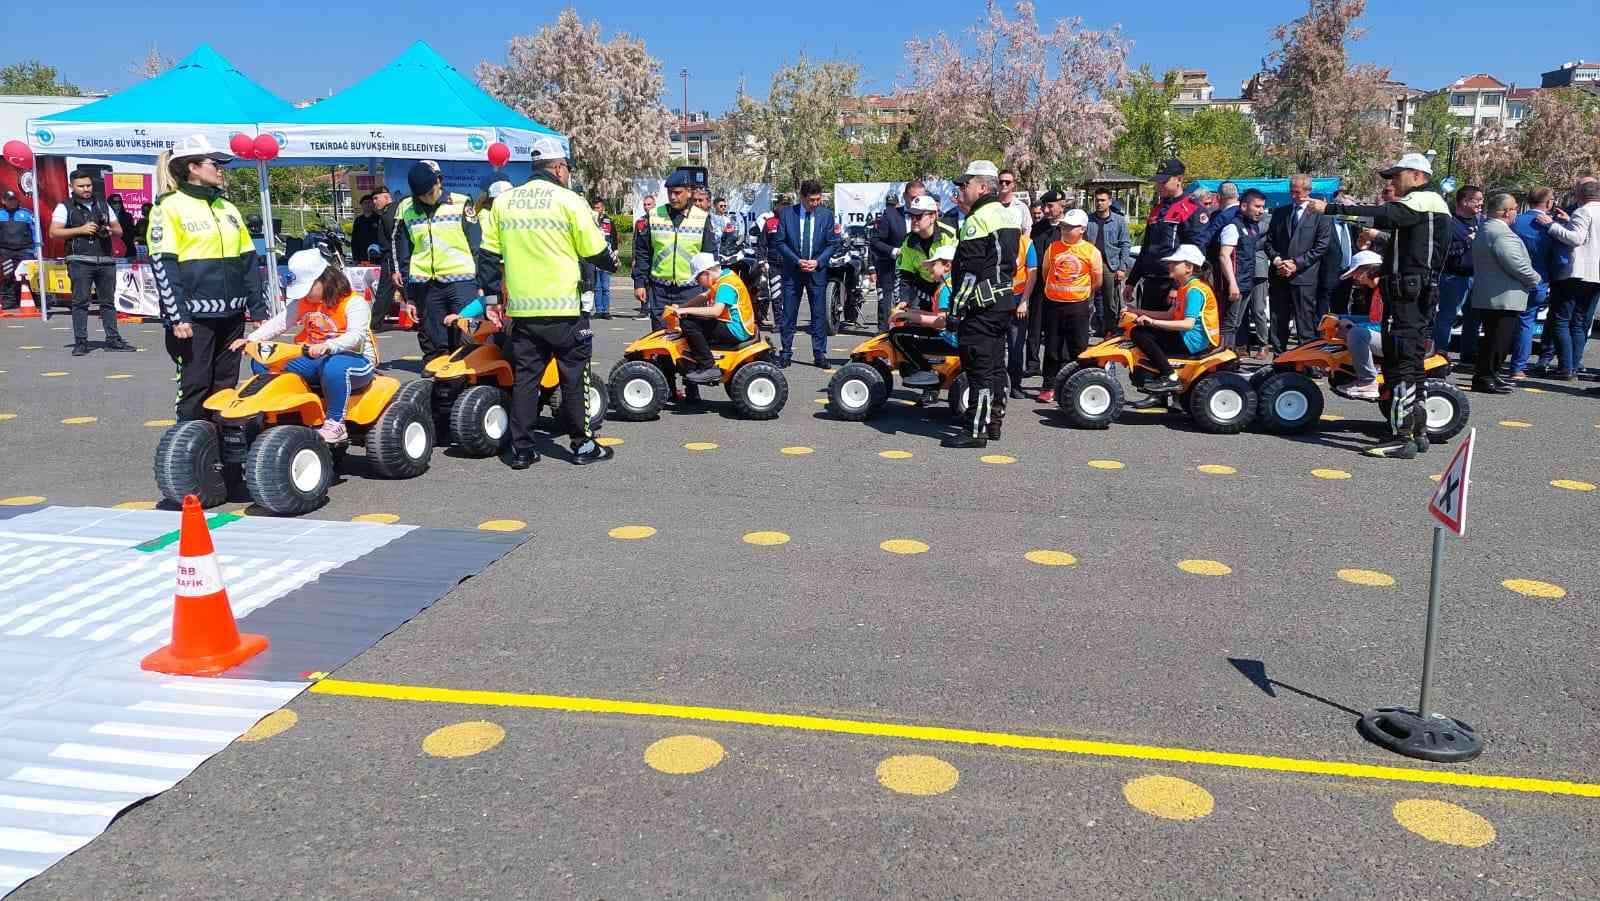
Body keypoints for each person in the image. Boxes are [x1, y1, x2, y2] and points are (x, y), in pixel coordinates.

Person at [477, 136, 617, 468]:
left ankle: (522, 449)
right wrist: (613, 263)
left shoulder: (504, 203)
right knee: (573, 376)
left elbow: (487, 257)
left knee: (526, 379)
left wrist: (494, 300)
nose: (567, 173)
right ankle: (582, 445)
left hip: (523, 311)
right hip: (565, 309)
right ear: (557, 167)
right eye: (566, 167)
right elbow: (594, 249)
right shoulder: (570, 201)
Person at [1310, 151, 1451, 459]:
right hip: (1415, 294)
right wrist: (1382, 269)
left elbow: (1383, 216)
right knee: (1411, 366)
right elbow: (1408, 250)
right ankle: (1418, 432)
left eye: (1396, 176)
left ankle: (1402, 437)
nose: (1392, 183)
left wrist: (1330, 208)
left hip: (1407, 298)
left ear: (1418, 176)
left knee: (1400, 365)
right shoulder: (1425, 207)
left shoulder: (1423, 200)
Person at [148, 135, 265, 421]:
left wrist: (258, 310)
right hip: (193, 318)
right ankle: (188, 451)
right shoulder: (169, 207)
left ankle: (220, 451)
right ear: (193, 167)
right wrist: (178, 316)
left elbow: (249, 262)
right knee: (195, 385)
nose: (221, 169)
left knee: (225, 386)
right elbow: (163, 266)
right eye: (215, 164)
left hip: (232, 314)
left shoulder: (228, 208)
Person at [233, 249, 376, 443]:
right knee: (263, 362)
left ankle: (336, 423)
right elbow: (279, 322)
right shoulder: (303, 303)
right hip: (313, 359)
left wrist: (328, 346)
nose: (305, 294)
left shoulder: (354, 302)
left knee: (334, 366)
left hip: (354, 361)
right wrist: (251, 340)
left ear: (324, 280)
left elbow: (356, 337)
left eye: (308, 288)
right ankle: (277, 415)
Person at [941, 160, 1021, 449]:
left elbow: (970, 272)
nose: (962, 189)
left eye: (966, 184)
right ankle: (994, 422)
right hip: (1002, 302)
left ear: (983, 186)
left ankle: (977, 430)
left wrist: (954, 311)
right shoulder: (1007, 214)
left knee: (980, 370)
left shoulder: (978, 220)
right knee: (997, 367)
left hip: (981, 307)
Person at [394, 162, 480, 362]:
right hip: (427, 284)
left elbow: (477, 246)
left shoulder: (461, 203)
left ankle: (470, 382)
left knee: (465, 335)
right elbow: (405, 255)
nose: (427, 198)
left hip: (462, 280)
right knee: (436, 339)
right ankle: (442, 383)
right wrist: (410, 296)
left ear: (438, 183)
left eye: (430, 192)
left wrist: (482, 283)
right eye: (421, 195)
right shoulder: (408, 211)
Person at [51, 169, 133, 355]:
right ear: (72, 186)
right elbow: (54, 232)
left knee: (108, 302)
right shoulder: (65, 206)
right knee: (80, 302)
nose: (86, 189)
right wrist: (81, 229)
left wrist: (109, 230)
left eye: (88, 185)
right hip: (79, 259)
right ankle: (81, 342)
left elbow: (119, 230)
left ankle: (113, 339)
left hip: (105, 259)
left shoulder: (103, 204)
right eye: (81, 186)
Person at [1467, 193, 1540, 395]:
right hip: (1503, 296)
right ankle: (1485, 377)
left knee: (1493, 338)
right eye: (1515, 208)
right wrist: (1535, 278)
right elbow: (1514, 262)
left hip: (1492, 294)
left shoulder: (1486, 228)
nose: (1517, 212)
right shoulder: (1502, 233)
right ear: (1507, 211)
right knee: (1498, 340)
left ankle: (1490, 374)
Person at [633, 169, 716, 333]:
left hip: (691, 291)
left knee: (690, 340)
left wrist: (711, 289)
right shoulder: (654, 215)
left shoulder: (701, 218)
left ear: (689, 192)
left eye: (677, 193)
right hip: (660, 290)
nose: (672, 197)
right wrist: (639, 283)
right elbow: (643, 252)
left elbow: (710, 255)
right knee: (659, 339)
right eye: (670, 193)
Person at [1127, 245, 1218, 393]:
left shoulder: (1195, 290)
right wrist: (1137, 312)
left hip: (1191, 340)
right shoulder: (1185, 287)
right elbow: (1170, 315)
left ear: (1188, 267)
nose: (1169, 265)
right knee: (1141, 331)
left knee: (1139, 334)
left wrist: (1153, 322)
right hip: (1187, 337)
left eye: (1174, 263)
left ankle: (1170, 376)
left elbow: (1188, 324)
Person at [1034, 208, 1103, 403]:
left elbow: (1096, 280)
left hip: (1078, 305)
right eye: (1064, 226)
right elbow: (1045, 272)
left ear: (1082, 229)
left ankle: (1079, 385)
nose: (1065, 230)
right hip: (1054, 304)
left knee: (1078, 346)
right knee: (1052, 346)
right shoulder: (1054, 247)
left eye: (1070, 227)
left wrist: (1080, 293)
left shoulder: (1091, 251)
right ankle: (1048, 385)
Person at [772, 179, 839, 369]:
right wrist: (796, 260)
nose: (815, 203)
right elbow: (779, 242)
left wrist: (818, 261)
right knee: (789, 314)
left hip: (816, 270)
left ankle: (820, 353)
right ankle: (785, 352)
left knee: (818, 314)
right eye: (811, 200)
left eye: (818, 199)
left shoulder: (826, 215)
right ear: (802, 198)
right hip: (793, 271)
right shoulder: (787, 214)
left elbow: (832, 242)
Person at [1125, 159, 1207, 312]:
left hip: (1173, 283)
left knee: (1170, 333)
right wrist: (1131, 281)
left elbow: (1196, 251)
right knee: (1146, 328)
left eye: (1164, 181)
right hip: (1150, 281)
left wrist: (1178, 286)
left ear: (1179, 179)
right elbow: (1146, 249)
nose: (1159, 186)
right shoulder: (1157, 209)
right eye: (1158, 181)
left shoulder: (1192, 209)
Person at [1263, 174, 1333, 354]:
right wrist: (1278, 260)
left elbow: (1321, 246)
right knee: (1278, 320)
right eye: (1291, 192)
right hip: (1280, 275)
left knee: (1305, 322)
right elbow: (1269, 242)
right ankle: (1279, 358)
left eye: (1298, 192)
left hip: (1304, 277)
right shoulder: (1280, 213)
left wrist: (1296, 264)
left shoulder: (1320, 215)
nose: (1294, 196)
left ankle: (1307, 360)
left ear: (1308, 191)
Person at [1539, 180, 1600, 380]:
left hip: (1578, 273)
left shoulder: (1583, 211)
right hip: (1596, 274)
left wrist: (1552, 226)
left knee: (1562, 319)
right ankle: (1574, 364)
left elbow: (1576, 238)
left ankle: (1565, 367)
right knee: (1580, 321)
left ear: (1581, 196)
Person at [675, 252, 757, 384]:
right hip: (736, 325)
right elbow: (704, 296)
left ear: (706, 273)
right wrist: (682, 307)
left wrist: (685, 310)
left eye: (697, 278)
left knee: (688, 323)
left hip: (735, 330)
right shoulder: (724, 277)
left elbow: (715, 311)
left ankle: (708, 367)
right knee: (691, 319)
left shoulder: (726, 285)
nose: (697, 282)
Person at [886, 243, 958, 390]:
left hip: (948, 339)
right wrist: (909, 313)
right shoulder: (948, 284)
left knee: (898, 335)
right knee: (907, 329)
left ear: (947, 265)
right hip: (948, 335)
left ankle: (925, 371)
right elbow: (936, 315)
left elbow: (940, 322)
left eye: (933, 264)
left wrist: (908, 315)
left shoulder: (946, 289)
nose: (929, 268)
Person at [1509, 186, 1556, 379]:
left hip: (1512, 278)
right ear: (1548, 202)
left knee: (1504, 322)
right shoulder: (1551, 226)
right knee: (1526, 322)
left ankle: (1492, 362)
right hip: (1539, 278)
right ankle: (1517, 367)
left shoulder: (1515, 222)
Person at [1431, 185, 1483, 360]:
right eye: (1478, 200)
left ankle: (1469, 353)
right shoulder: (1450, 224)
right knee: (1448, 315)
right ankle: (1440, 352)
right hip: (1454, 277)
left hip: (1476, 276)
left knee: (1474, 317)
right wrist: (1467, 242)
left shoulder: (1480, 222)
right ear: (1465, 201)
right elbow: (1444, 252)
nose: (1481, 204)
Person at [1213, 188, 1267, 351]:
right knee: (1228, 324)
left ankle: (1229, 357)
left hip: (1246, 281)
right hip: (1234, 283)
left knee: (1236, 323)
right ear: (1244, 206)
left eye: (1262, 207)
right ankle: (1221, 360)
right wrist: (1232, 283)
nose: (1261, 211)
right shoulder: (1232, 226)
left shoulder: (1252, 227)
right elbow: (1224, 256)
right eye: (1257, 206)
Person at [1332, 250, 1386, 401]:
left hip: (1394, 340)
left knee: (1357, 334)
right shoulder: (1377, 290)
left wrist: (1352, 326)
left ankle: (1368, 382)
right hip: (1387, 336)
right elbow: (1374, 319)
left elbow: (1385, 325)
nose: (1355, 279)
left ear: (1369, 270)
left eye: (1356, 274)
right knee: (1349, 329)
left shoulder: (1387, 291)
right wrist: (1341, 318)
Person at [1024, 189, 1067, 372]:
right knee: (1034, 325)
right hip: (1039, 284)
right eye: (1045, 206)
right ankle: (1032, 364)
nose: (1046, 210)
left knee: (1057, 328)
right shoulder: (1039, 228)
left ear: (1061, 205)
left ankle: (1058, 362)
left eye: (1050, 206)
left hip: (1060, 286)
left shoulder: (1068, 228)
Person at [1084, 188, 1131, 336]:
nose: (1099, 203)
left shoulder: (1118, 220)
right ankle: (1090, 329)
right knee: (1088, 298)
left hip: (1110, 264)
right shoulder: (1088, 220)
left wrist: (1122, 267)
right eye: (1097, 200)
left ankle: (1110, 330)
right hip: (1091, 264)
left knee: (1111, 300)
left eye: (1103, 200)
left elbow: (1125, 244)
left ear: (1110, 201)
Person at [869, 186, 912, 334]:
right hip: (889, 265)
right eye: (912, 198)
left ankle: (909, 330)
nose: (915, 202)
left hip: (917, 268)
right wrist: (893, 251)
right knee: (885, 298)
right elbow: (875, 241)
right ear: (905, 197)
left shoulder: (930, 215)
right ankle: (883, 331)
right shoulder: (889, 215)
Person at [0, 190, 36, 311]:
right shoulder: (0, 214)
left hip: (25, 250)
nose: (12, 202)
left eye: (14, 199)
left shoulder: (27, 214)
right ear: (3, 201)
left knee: (29, 275)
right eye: (9, 200)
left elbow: (35, 230)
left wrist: (37, 247)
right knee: (8, 275)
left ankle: (34, 300)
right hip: (6, 250)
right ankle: (9, 301)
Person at [590, 199, 617, 319]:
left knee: (605, 287)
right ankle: (598, 310)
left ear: (603, 208)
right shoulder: (590, 221)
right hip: (595, 256)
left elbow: (614, 237)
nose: (597, 210)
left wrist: (615, 252)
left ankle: (606, 311)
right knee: (597, 287)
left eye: (599, 207)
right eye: (595, 208)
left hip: (606, 256)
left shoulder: (609, 221)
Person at [351, 194, 386, 265]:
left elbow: (383, 238)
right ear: (362, 205)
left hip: (376, 255)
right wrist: (355, 257)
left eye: (369, 202)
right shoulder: (358, 220)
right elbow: (354, 240)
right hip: (361, 256)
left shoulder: (379, 219)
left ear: (373, 204)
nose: (367, 205)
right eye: (365, 203)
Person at [106, 194, 137, 260]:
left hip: (126, 247)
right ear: (109, 203)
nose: (117, 204)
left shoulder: (127, 216)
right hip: (109, 248)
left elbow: (130, 232)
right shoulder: (104, 216)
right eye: (115, 202)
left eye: (119, 202)